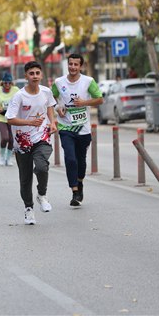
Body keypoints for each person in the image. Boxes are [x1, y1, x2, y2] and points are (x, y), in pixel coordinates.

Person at [6, 61, 57, 225]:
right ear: (26, 76)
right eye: (31, 73)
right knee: (25, 178)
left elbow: (49, 106)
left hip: (41, 136)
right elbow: (10, 119)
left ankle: (42, 194)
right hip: (22, 141)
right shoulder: (19, 96)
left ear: (41, 75)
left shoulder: (46, 91)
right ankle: (28, 208)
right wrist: (29, 123)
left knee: (41, 167)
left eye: (37, 73)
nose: (35, 76)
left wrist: (52, 122)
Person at [51, 53, 103, 207]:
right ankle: (74, 191)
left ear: (81, 66)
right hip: (65, 127)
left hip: (83, 128)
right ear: (67, 64)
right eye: (70, 64)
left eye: (76, 64)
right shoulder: (59, 82)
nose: (73, 67)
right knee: (70, 158)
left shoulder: (88, 81)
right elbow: (51, 98)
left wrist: (84, 103)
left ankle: (79, 182)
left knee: (81, 161)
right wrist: (57, 108)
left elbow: (100, 99)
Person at [0, 72, 20, 166]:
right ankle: (2, 156)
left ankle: (8, 158)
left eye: (9, 83)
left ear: (12, 83)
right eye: (5, 83)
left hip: (12, 117)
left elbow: (21, 100)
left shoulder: (16, 90)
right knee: (5, 137)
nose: (7, 85)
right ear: (2, 82)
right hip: (1, 117)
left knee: (11, 139)